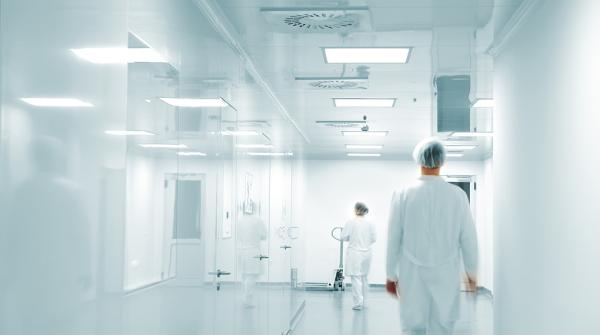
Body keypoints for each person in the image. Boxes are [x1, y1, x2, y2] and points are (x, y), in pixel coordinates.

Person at [386, 138, 478, 335]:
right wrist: (472, 272)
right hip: (446, 272)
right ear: (442, 161)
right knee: (443, 325)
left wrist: (390, 275)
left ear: (418, 161)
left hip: (412, 273)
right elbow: (468, 238)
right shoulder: (457, 195)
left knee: (413, 326)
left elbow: (394, 237)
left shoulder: (403, 194)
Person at [341, 202, 377, 311]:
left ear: (355, 209)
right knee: (364, 277)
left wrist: (352, 239)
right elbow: (374, 239)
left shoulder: (351, 222)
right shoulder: (370, 223)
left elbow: (343, 236)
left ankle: (358, 303)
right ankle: (364, 301)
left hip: (355, 253)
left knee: (356, 278)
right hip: (367, 253)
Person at [237, 211, 267, 308]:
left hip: (242, 251)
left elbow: (239, 237)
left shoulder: (240, 221)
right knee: (252, 275)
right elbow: (264, 236)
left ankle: (246, 298)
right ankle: (246, 299)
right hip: (253, 251)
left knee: (245, 275)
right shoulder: (257, 221)